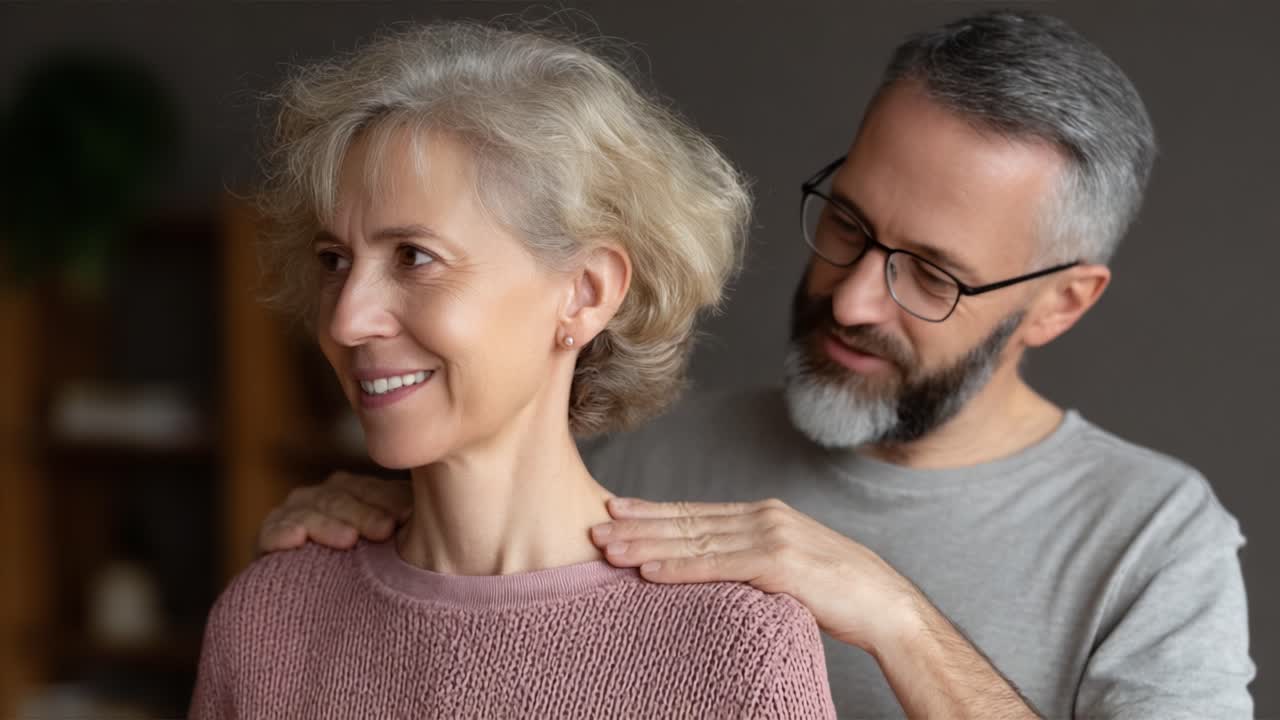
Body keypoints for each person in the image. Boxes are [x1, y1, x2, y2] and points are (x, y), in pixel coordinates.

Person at [257, 10, 1255, 720]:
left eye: (930, 275)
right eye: (848, 224)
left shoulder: (1153, 541)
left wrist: (898, 622)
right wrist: (380, 525)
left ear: (1061, 302)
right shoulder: (646, 457)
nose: (853, 298)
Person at [191, 20, 839, 719]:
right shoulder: (267, 617)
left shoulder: (739, 648)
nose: (347, 320)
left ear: (585, 292)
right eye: (334, 261)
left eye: (413, 257)